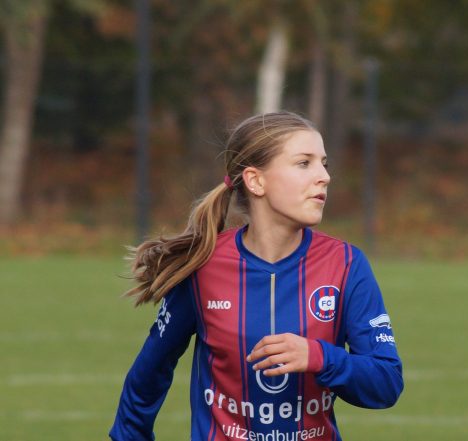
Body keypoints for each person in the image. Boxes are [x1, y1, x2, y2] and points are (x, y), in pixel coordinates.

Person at [109, 111, 403, 441]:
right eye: (304, 163)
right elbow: (148, 374)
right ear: (255, 181)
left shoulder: (346, 265)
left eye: (324, 164)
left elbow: (386, 383)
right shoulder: (204, 266)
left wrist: (319, 357)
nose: (324, 177)